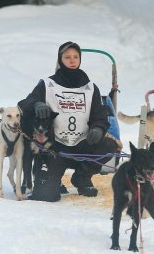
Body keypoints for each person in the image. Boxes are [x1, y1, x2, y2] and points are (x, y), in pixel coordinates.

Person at [18, 41, 118, 201]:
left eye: (75, 57)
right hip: (55, 148)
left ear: (80, 59)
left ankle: (82, 177)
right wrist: (37, 104)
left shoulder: (91, 87)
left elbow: (100, 115)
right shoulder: (47, 84)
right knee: (46, 196)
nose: (72, 60)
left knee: (109, 146)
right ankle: (53, 181)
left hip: (83, 145)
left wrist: (98, 128)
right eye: (67, 57)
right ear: (60, 60)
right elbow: (24, 103)